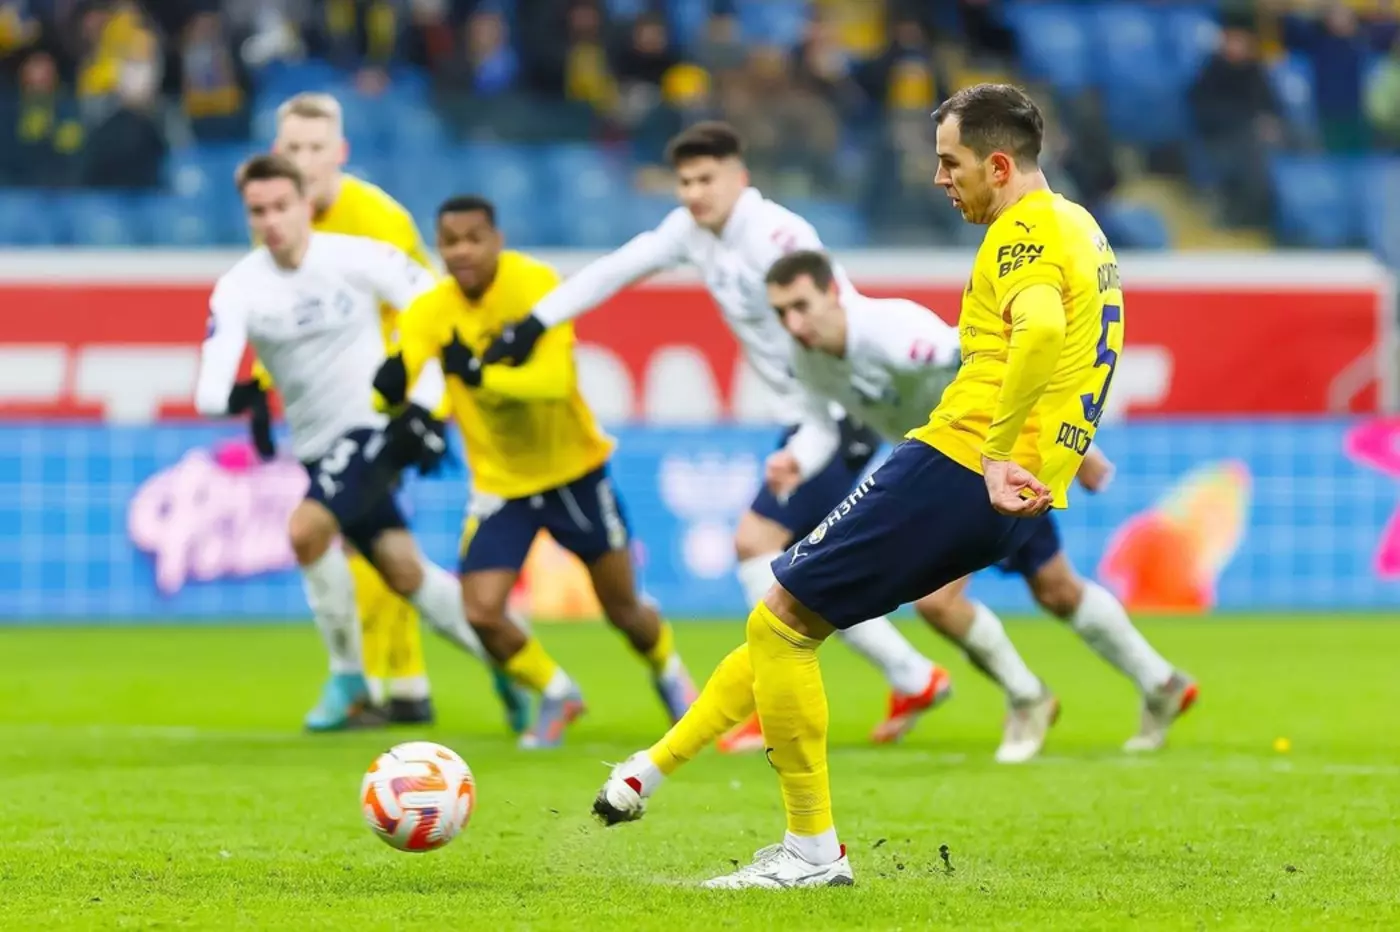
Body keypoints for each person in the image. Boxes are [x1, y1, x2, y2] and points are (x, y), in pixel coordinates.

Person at [596, 83, 1183, 889]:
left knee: (780, 621)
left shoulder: (1022, 230)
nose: (940, 178)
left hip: (961, 460)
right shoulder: (1082, 228)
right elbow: (1070, 343)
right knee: (787, 620)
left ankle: (810, 853)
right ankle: (650, 772)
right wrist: (1060, 451)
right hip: (1008, 484)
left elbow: (1043, 331)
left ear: (999, 165)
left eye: (950, 162)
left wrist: (996, 450)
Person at [481, 121, 952, 744]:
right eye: (685, 182)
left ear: (739, 177)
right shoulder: (689, 232)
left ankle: (788, 699)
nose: (695, 194)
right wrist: (536, 323)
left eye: (707, 179)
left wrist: (856, 405)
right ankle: (909, 675)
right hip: (807, 416)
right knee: (798, 564)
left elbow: (840, 314)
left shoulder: (778, 236)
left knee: (759, 546)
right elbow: (617, 269)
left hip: (836, 413)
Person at [697, 250, 1196, 764]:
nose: (793, 324)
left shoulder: (894, 334)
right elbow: (822, 426)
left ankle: (1029, 697)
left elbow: (997, 359)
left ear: (833, 292)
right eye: (781, 312)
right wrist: (796, 459)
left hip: (993, 459)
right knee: (1055, 589)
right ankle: (1160, 682)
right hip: (949, 470)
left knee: (942, 601)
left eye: (801, 306)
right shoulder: (810, 358)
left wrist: (1077, 443)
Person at [233, 91, 527, 732]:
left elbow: (430, 310)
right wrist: (258, 383)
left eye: (315, 148)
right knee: (393, 561)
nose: (303, 160)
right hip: (327, 416)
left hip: (390, 410)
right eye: (292, 148)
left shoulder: (378, 219)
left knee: (329, 532)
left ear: (339, 152)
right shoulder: (276, 218)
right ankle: (494, 661)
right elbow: (286, 316)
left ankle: (365, 683)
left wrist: (424, 407)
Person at [374, 195, 699, 750]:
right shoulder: (432, 309)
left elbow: (551, 383)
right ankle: (556, 692)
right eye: (450, 241)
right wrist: (391, 398)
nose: (462, 251)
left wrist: (480, 378)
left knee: (623, 609)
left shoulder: (534, 285)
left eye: (473, 238)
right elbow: (396, 382)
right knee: (480, 611)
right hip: (501, 485)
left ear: (497, 240)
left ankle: (669, 672)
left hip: (573, 473)